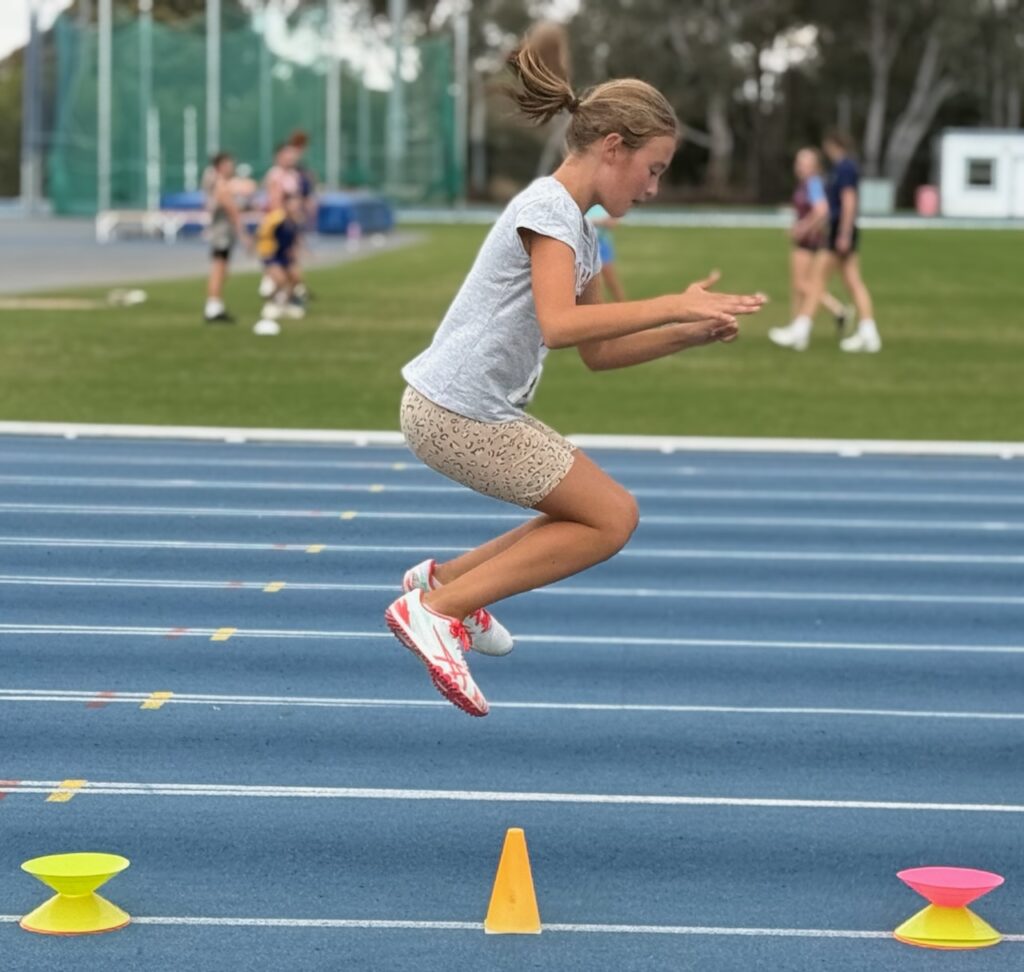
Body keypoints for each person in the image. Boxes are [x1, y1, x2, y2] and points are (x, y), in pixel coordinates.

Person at [383, 23, 765, 717]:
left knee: (590, 514)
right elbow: (560, 324)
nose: (652, 189)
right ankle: (436, 609)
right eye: (652, 169)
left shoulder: (577, 228)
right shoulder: (547, 210)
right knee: (611, 516)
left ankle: (443, 583)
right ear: (613, 148)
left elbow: (597, 351)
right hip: (454, 412)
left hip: (466, 409)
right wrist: (670, 302)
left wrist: (688, 332)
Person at [769, 131, 881, 353]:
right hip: (840, 231)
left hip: (840, 232)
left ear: (833, 145)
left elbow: (848, 202)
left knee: (816, 281)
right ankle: (868, 332)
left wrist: (844, 234)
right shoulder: (842, 168)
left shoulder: (844, 168)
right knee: (850, 282)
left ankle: (800, 330)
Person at [786, 147, 851, 332]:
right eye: (798, 163)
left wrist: (803, 227)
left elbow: (821, 209)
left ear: (814, 166)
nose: (799, 167)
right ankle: (796, 324)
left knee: (802, 284)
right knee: (801, 285)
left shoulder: (813, 184)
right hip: (808, 239)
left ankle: (838, 310)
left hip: (808, 241)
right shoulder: (807, 183)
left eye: (804, 163)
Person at [203, 152, 252, 324]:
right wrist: (244, 235)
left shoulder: (219, 182)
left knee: (223, 269)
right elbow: (233, 212)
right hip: (222, 232)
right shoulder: (220, 184)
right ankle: (213, 307)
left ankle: (216, 305)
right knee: (219, 269)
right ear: (220, 166)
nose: (231, 167)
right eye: (228, 164)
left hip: (224, 232)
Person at [258, 143, 301, 300]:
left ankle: (283, 294)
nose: (291, 158)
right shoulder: (275, 175)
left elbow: (295, 200)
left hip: (288, 223)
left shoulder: (294, 176)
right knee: (276, 259)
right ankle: (273, 284)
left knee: (291, 263)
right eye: (287, 154)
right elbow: (274, 200)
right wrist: (280, 218)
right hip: (277, 223)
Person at [256, 193, 306, 320]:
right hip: (273, 257)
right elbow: (262, 235)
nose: (295, 207)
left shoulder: (295, 221)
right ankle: (271, 302)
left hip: (285, 257)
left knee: (296, 278)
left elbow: (294, 241)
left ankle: (285, 304)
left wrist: (296, 254)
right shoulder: (276, 219)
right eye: (293, 204)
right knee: (281, 280)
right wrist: (266, 256)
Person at [585, 204, 627, 301]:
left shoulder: (604, 202)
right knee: (593, 285)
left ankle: (624, 308)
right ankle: (598, 311)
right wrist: (598, 221)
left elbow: (612, 222)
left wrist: (591, 221)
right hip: (586, 244)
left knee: (611, 281)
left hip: (602, 243)